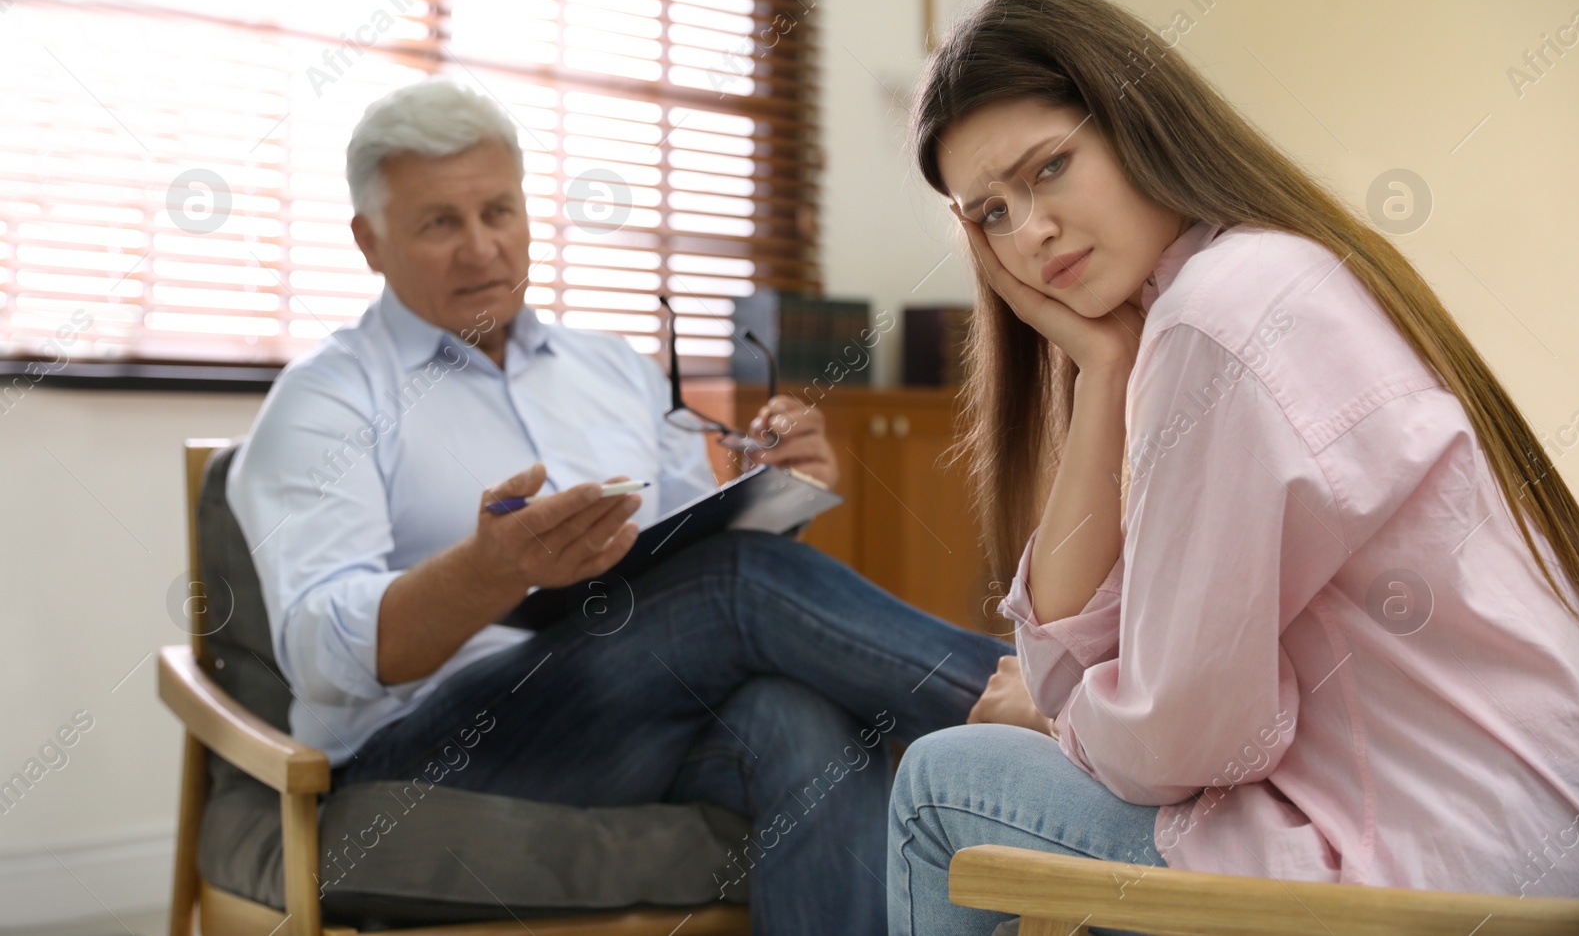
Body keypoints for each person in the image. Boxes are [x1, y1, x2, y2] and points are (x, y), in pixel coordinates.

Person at [887, 0, 1579, 936]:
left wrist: (1056, 721)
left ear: (1135, 117)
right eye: (992, 215)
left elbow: (1178, 737)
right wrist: (1104, 369)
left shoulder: (1218, 318)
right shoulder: (1259, 274)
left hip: (1441, 872)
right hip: (1526, 839)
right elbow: (1100, 654)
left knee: (942, 781)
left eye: (1051, 167)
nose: (1032, 231)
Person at [226, 79, 1010, 935]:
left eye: (499, 210)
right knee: (737, 585)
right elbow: (317, 652)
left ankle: (1047, 731)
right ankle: (1057, 710)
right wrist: (490, 572)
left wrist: (779, 488)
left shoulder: (612, 369)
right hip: (429, 750)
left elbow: (688, 555)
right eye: (439, 223)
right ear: (369, 241)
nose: (482, 247)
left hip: (628, 717)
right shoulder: (324, 401)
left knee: (800, 722)